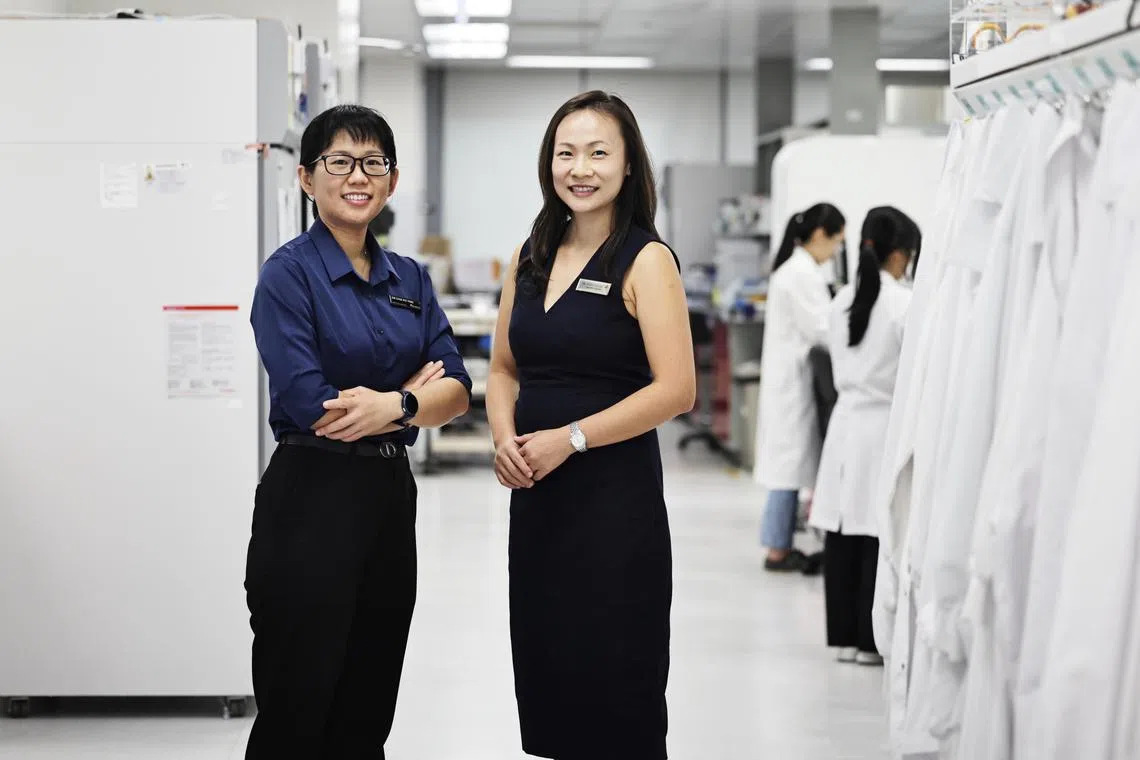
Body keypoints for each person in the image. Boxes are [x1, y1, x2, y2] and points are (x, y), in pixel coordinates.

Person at [245, 104, 472, 759]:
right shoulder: (288, 275)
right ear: (306, 178)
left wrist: (394, 406)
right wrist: (411, 398)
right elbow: (313, 402)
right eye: (339, 162)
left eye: (374, 163)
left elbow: (454, 391)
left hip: (388, 498)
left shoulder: (411, 280)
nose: (358, 176)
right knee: (298, 703)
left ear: (392, 182)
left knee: (368, 702)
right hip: (310, 494)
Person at [486, 90, 696, 760]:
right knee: (552, 681)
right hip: (539, 504)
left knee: (616, 690)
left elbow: (677, 389)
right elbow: (502, 367)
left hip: (613, 507)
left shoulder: (645, 259)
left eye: (599, 153)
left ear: (629, 164)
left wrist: (570, 438)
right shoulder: (530, 254)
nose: (581, 167)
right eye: (566, 152)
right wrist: (502, 438)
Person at [809, 206, 918, 666]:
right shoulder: (904, 304)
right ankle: (872, 639)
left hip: (847, 422)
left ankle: (846, 637)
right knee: (877, 527)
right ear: (900, 255)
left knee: (843, 527)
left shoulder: (842, 300)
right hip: (882, 424)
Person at [755, 202, 846, 573]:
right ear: (821, 235)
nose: (838, 250)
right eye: (837, 241)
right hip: (791, 385)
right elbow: (820, 328)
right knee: (787, 466)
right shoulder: (800, 274)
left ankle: (781, 542)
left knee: (789, 463)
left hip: (793, 380)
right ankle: (777, 550)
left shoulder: (800, 270)